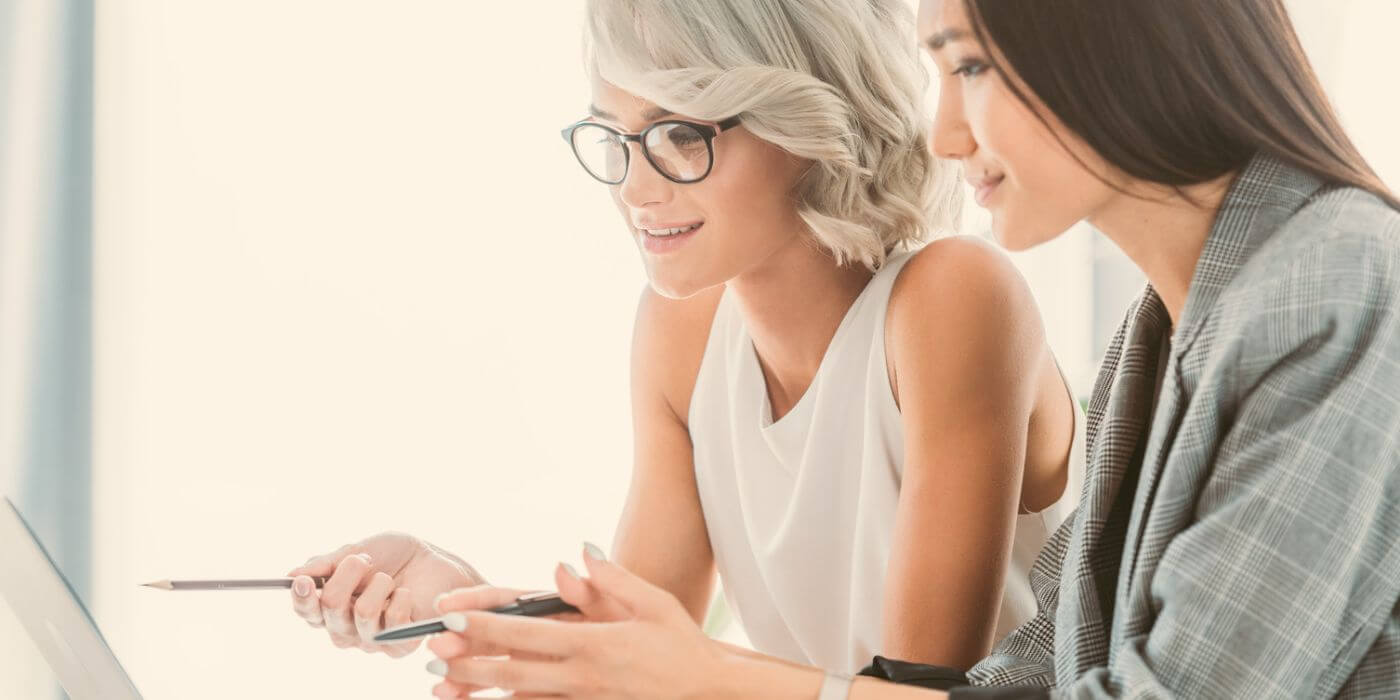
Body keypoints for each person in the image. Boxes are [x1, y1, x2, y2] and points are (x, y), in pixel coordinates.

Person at [423, 0, 1400, 697]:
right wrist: (465, 610)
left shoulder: (1333, 285)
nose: (936, 132)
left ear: (1113, 34)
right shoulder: (1163, 336)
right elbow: (1019, 685)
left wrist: (706, 677)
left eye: (966, 65)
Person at [287, 0, 1085, 677]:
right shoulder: (682, 328)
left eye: (680, 133)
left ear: (807, 120)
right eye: (618, 137)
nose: (637, 188)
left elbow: (920, 690)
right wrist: (455, 599)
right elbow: (627, 654)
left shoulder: (953, 298)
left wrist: (665, 670)